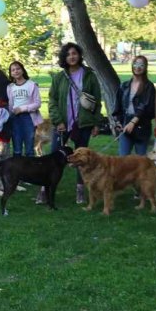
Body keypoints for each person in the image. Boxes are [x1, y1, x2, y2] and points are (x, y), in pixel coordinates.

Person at [48, 42, 102, 204]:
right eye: (68, 54)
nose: (72, 56)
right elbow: (52, 101)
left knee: (81, 159)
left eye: (74, 53)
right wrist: (58, 121)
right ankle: (46, 189)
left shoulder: (89, 76)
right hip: (63, 124)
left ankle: (80, 190)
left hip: (83, 123)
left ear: (79, 55)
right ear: (64, 57)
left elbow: (97, 101)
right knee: (54, 157)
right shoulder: (59, 78)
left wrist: (96, 123)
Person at [112, 55, 156, 157]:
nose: (138, 67)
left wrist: (133, 122)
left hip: (142, 128)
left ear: (145, 67)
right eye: (135, 64)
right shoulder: (124, 85)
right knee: (123, 160)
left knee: (141, 163)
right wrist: (118, 122)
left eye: (141, 65)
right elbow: (118, 107)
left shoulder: (148, 86)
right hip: (125, 127)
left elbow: (144, 106)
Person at [7, 61, 43, 157]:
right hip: (15, 119)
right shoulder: (10, 87)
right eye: (13, 70)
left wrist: (23, 109)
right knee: (17, 148)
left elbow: (38, 103)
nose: (16, 71)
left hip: (28, 118)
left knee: (29, 148)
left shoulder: (32, 85)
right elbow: (10, 105)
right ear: (11, 73)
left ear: (22, 70)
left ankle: (30, 171)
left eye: (18, 68)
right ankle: (18, 171)